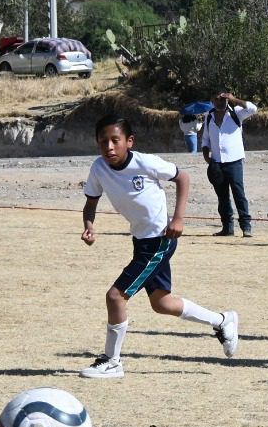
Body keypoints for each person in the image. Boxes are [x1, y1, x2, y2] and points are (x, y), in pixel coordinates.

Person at [78, 113, 238, 379]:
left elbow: (183, 177)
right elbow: (91, 202)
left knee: (115, 296)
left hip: (159, 239)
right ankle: (222, 321)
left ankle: (112, 361)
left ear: (129, 141)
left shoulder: (145, 162)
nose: (108, 147)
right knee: (162, 303)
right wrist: (89, 225)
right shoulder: (98, 168)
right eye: (103, 141)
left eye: (114, 140)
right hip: (141, 241)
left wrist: (178, 218)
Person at [204, 91, 256, 237]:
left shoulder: (236, 113)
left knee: (239, 194)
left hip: (234, 161)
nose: (220, 102)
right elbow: (205, 138)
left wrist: (235, 100)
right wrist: (206, 155)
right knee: (222, 196)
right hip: (217, 162)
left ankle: (246, 226)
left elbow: (253, 109)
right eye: (217, 100)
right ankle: (227, 228)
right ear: (212, 101)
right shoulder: (209, 116)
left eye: (223, 99)